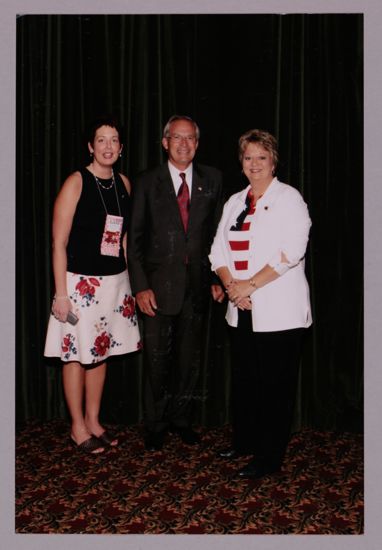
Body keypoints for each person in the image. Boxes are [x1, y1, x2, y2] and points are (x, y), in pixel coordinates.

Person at [209, 129, 312, 479]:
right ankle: (246, 442)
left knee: (275, 388)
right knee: (247, 382)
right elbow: (217, 251)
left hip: (279, 311)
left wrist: (249, 285)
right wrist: (231, 287)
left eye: (261, 157)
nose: (254, 164)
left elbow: (292, 252)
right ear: (241, 163)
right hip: (241, 308)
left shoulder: (290, 199)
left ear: (273, 161)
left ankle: (268, 459)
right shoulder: (235, 201)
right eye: (248, 158)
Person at [44, 116, 141, 454]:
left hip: (114, 284)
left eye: (114, 140)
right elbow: (58, 242)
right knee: (74, 355)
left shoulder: (124, 184)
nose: (108, 146)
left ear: (121, 147)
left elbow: (123, 239)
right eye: (101, 140)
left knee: (100, 353)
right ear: (90, 146)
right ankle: (77, 427)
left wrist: (129, 283)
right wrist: (61, 294)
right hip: (77, 286)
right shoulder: (76, 182)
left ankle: (94, 420)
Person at [128, 115, 224, 451]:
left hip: (197, 288)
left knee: (189, 360)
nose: (184, 144)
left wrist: (216, 279)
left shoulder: (213, 179)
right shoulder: (146, 182)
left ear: (197, 144)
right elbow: (134, 240)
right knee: (157, 360)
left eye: (190, 139)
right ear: (165, 142)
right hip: (156, 289)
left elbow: (218, 236)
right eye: (177, 138)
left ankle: (181, 420)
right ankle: (155, 424)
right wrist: (140, 286)